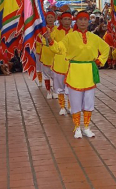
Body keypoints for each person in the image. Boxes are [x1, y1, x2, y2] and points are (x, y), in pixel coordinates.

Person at [45, 11, 109, 139]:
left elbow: (106, 48)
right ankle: (77, 128)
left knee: (89, 101)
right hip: (74, 71)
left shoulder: (94, 37)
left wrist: (99, 61)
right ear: (77, 21)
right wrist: (51, 40)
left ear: (88, 21)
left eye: (85, 19)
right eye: (80, 20)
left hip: (89, 73)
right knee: (75, 102)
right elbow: (59, 48)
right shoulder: (70, 37)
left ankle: (86, 127)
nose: (83, 22)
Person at [51, 12, 72, 115]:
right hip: (59, 63)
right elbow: (50, 44)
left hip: (71, 64)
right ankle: (62, 106)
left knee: (71, 87)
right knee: (60, 87)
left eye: (69, 19)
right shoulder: (56, 32)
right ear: (61, 20)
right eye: (65, 19)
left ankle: (70, 106)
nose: (67, 21)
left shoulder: (74, 32)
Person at [38, 11, 57, 98]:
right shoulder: (42, 30)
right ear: (45, 19)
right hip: (45, 54)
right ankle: (48, 91)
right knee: (46, 74)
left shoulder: (58, 29)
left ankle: (55, 90)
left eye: (51, 17)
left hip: (55, 54)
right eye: (48, 17)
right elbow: (40, 40)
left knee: (55, 74)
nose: (50, 19)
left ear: (55, 18)